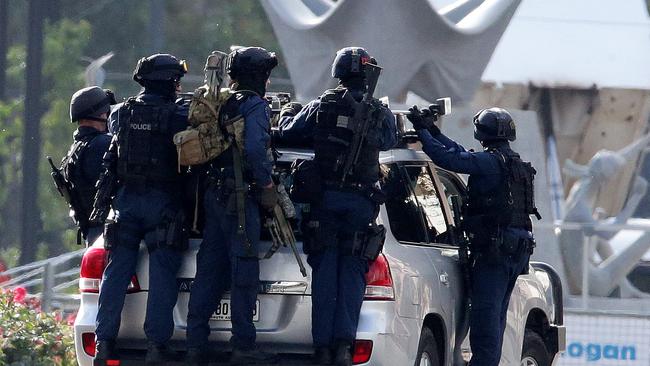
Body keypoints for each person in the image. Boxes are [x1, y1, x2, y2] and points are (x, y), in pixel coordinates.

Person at [278, 46, 398, 366]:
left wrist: (289, 112)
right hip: (360, 204)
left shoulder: (322, 105)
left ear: (339, 72)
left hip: (326, 201)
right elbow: (390, 141)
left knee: (325, 277)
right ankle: (344, 347)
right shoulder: (379, 111)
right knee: (353, 277)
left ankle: (322, 349)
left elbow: (288, 132)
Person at [407, 106, 540, 366]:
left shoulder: (489, 163)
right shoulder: (511, 163)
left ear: (481, 133)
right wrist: (432, 130)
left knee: (486, 317)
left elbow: (450, 159)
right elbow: (459, 152)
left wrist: (422, 132)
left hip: (496, 252)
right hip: (514, 249)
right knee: (497, 316)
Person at [91, 53, 190, 366]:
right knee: (162, 273)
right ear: (167, 81)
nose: (178, 86)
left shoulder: (121, 112)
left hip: (126, 202)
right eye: (176, 79)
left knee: (115, 272)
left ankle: (104, 343)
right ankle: (156, 347)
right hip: (162, 202)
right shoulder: (178, 115)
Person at [185, 46, 279, 366]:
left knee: (209, 269)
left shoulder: (219, 101)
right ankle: (243, 345)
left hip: (213, 196)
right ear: (260, 77)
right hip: (240, 199)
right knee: (244, 270)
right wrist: (266, 185)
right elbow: (254, 149)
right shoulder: (254, 106)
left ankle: (195, 344)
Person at [61, 86, 115, 245]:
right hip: (107, 230)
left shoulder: (77, 148)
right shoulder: (102, 144)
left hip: (92, 231)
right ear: (100, 114)